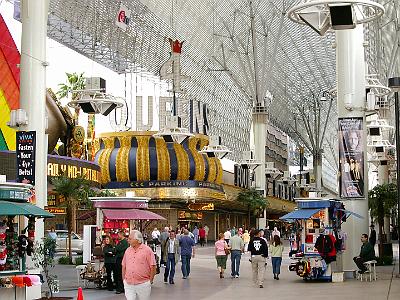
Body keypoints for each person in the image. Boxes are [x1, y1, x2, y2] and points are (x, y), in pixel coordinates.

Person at [122, 230, 156, 300]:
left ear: (137, 240)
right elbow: (124, 265)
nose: (128, 240)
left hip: (143, 284)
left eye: (130, 239)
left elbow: (153, 266)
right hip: (129, 284)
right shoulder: (127, 250)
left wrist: (150, 281)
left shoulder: (147, 250)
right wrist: (124, 280)